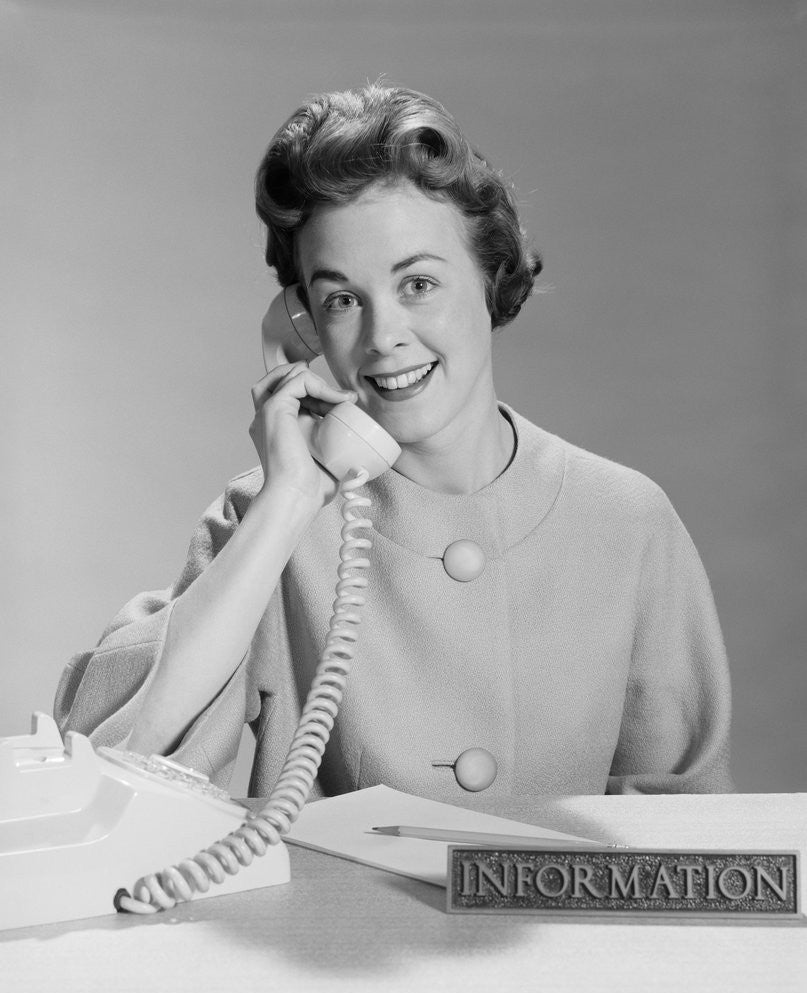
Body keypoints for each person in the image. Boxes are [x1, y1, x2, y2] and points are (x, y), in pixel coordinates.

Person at [54, 82, 733, 803]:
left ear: (491, 275)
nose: (383, 338)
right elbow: (113, 763)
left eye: (417, 284)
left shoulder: (627, 521)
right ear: (301, 323)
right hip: (335, 922)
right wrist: (287, 503)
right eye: (342, 299)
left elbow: (684, 839)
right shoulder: (264, 524)